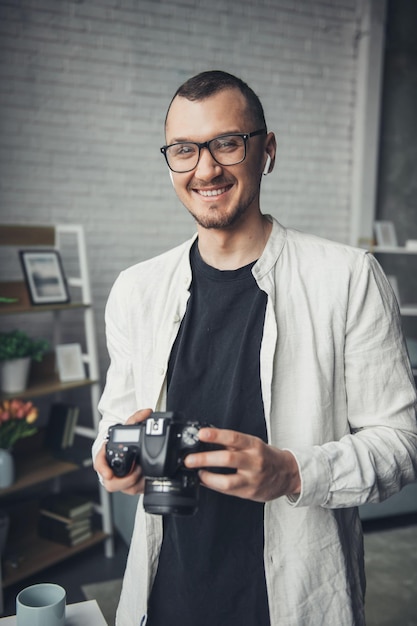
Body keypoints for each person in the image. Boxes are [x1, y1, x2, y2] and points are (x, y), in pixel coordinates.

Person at [93, 70, 417, 626]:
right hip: (167, 595)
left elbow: (402, 443)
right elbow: (115, 419)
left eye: (226, 143)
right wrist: (111, 460)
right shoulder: (136, 290)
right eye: (184, 150)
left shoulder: (348, 278)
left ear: (266, 150)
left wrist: (293, 473)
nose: (206, 168)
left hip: (295, 601)